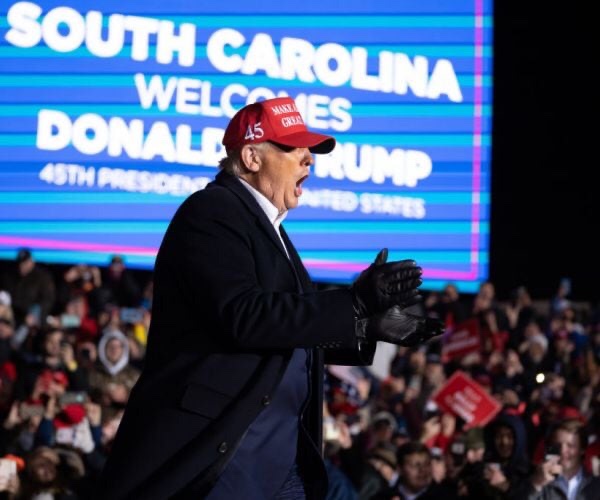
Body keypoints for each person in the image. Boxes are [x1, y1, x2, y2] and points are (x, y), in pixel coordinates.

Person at [95, 96, 443, 499]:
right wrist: (354, 303)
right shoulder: (212, 211)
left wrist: (363, 327)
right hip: (223, 452)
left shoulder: (271, 228)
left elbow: (286, 329)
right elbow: (243, 315)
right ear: (252, 157)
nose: (309, 159)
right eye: (294, 148)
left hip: (278, 457)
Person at [525, 419, 600, 500]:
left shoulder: (595, 485)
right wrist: (536, 484)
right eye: (557, 445)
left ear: (582, 449)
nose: (562, 451)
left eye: (570, 446)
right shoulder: (537, 480)